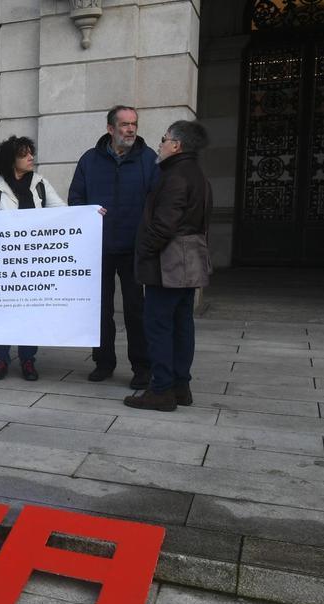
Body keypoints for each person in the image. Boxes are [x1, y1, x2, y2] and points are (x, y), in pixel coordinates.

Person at [124, 121, 212, 412]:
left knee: (159, 326)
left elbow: (164, 225)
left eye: (163, 139)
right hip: (187, 262)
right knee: (181, 324)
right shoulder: (196, 173)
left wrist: (144, 250)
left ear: (176, 145)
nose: (159, 144)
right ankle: (179, 386)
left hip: (170, 263)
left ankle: (161, 390)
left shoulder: (175, 176)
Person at [68, 105, 159, 389]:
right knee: (100, 310)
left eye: (134, 124)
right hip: (98, 249)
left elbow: (157, 201)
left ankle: (142, 368)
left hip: (134, 248)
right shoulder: (90, 160)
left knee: (136, 311)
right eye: (124, 125)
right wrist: (88, 212)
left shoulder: (148, 160)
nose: (131, 129)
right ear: (110, 129)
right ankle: (103, 362)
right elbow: (75, 199)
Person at [0, 135, 66, 381]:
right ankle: (1, 360)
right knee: (3, 311)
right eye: (24, 154)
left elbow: (61, 212)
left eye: (31, 153)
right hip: (4, 262)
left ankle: (28, 360)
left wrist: (90, 214)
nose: (31, 158)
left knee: (30, 312)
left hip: (33, 261)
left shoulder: (39, 184)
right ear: (10, 160)